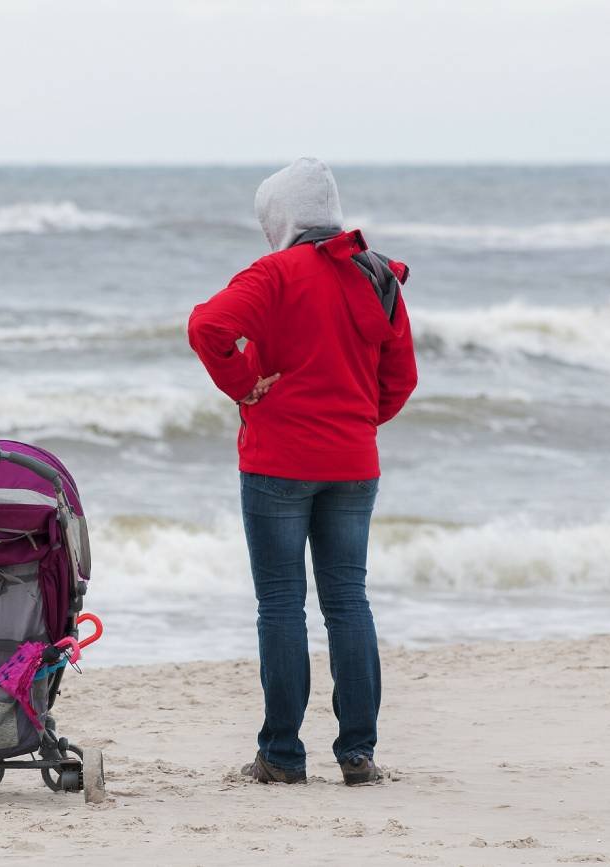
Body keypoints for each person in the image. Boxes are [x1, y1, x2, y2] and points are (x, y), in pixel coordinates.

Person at [187, 157, 417, 786]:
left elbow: (208, 326)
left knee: (282, 604)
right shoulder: (377, 274)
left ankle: (283, 756)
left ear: (280, 216)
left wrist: (244, 385)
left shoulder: (274, 273)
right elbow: (401, 378)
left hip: (277, 462)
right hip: (353, 463)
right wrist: (356, 423)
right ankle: (358, 754)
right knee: (348, 601)